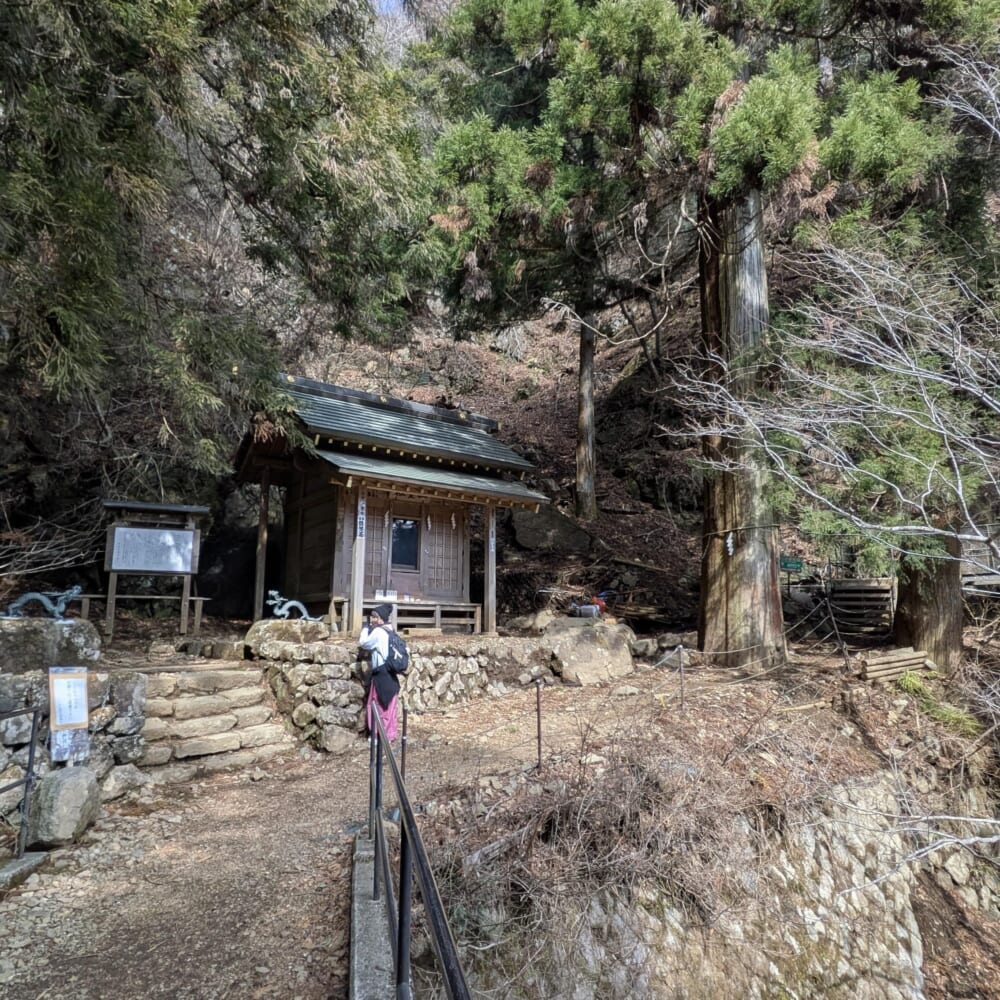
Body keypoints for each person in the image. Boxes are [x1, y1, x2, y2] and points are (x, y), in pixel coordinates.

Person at [358, 603, 400, 741]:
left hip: (381, 674)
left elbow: (364, 643)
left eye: (374, 617)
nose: (372, 620)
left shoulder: (378, 632)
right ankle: (390, 734)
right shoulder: (390, 631)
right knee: (390, 706)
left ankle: (378, 736)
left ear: (380, 619)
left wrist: (365, 629)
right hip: (391, 673)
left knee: (378, 705)